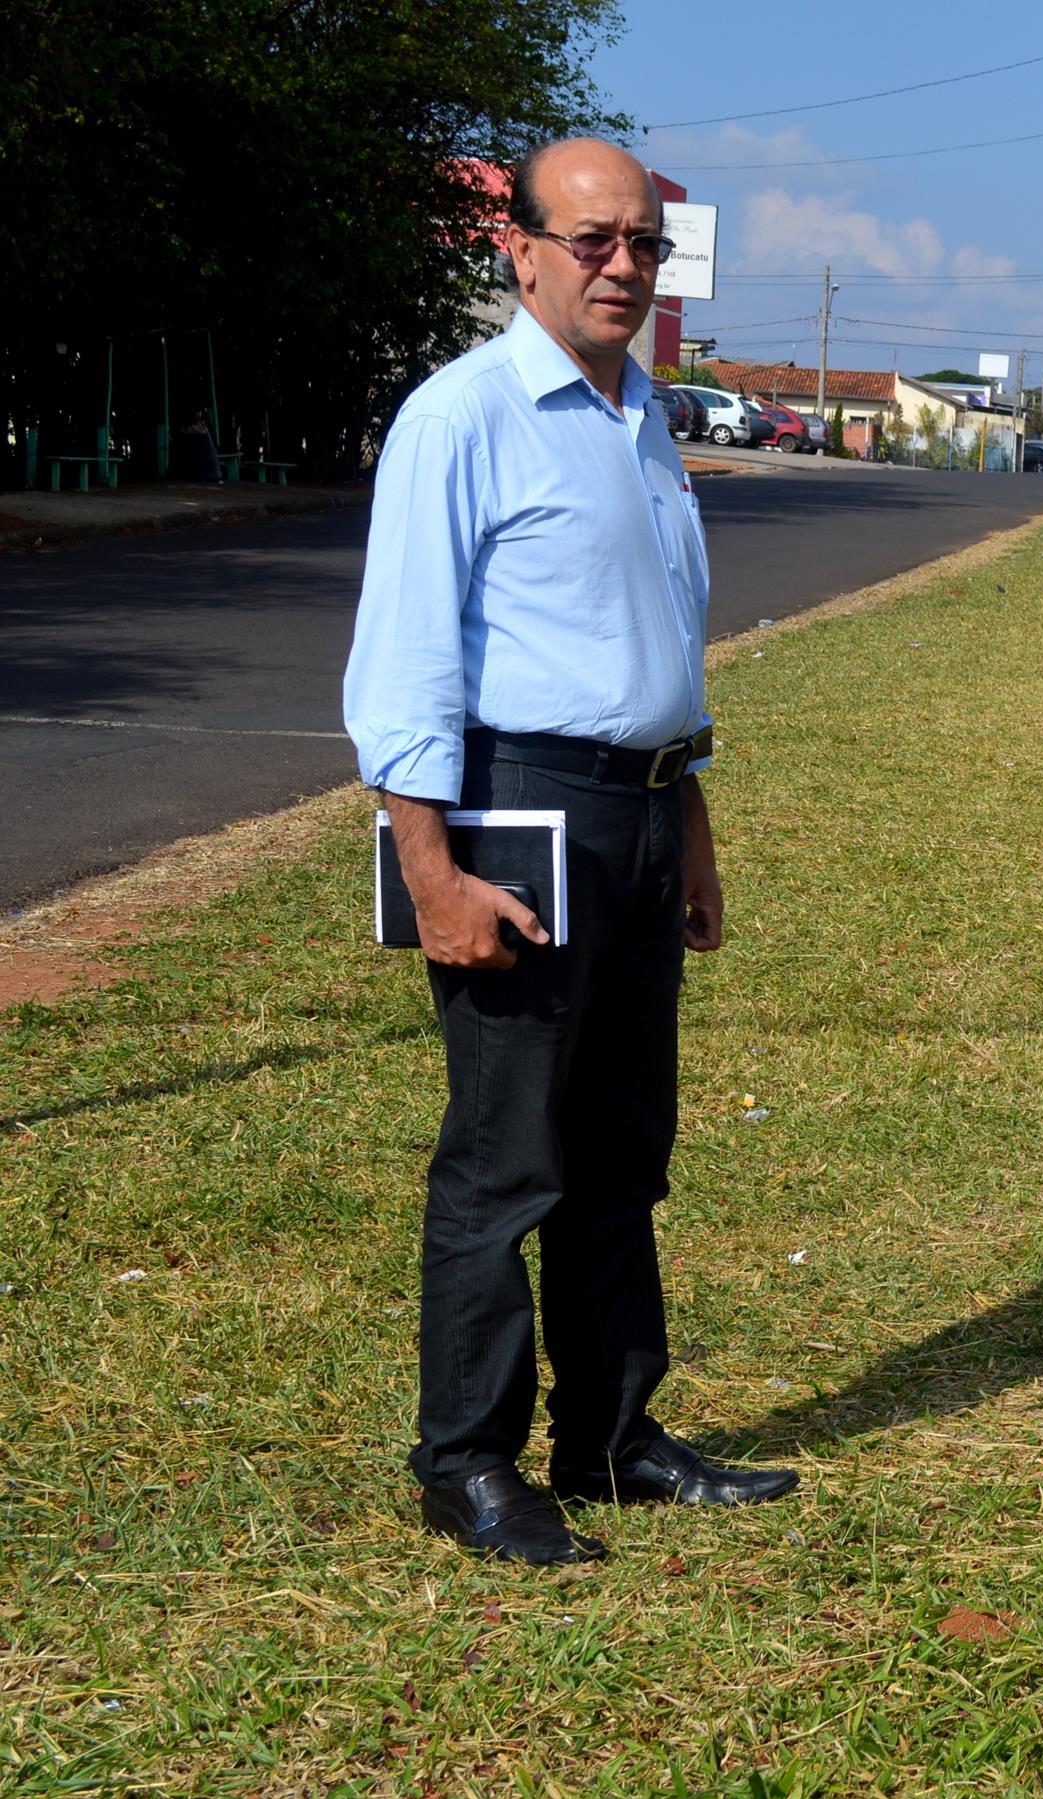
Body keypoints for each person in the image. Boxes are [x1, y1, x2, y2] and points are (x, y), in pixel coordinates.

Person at [344, 138, 794, 1567]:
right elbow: (402, 665)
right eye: (592, 240)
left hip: (646, 813)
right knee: (507, 1156)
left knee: (620, 1149)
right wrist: (430, 871)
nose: (621, 266)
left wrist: (694, 834)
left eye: (644, 246)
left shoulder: (643, 415)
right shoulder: (462, 417)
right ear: (520, 252)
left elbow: (664, 647)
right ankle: (467, 1465)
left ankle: (609, 1436)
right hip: (521, 811)